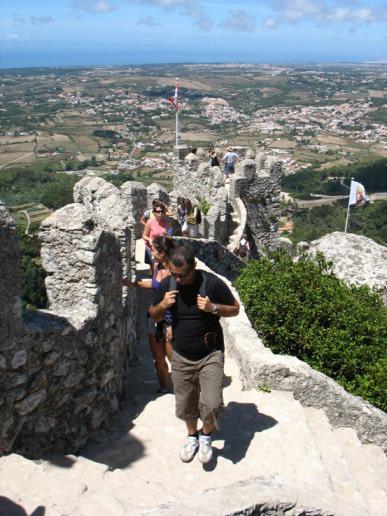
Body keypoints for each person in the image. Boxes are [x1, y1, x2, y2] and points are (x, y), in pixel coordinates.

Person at [149, 244, 240, 464]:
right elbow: (153, 314)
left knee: (212, 403)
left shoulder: (211, 283)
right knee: (186, 403)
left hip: (211, 353)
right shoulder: (167, 285)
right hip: (181, 354)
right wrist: (163, 304)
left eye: (183, 275)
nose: (178, 279)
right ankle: (192, 436)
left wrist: (213, 308)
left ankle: (206, 435)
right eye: (174, 274)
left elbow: (235, 308)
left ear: (194, 267)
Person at [123, 236, 175, 393]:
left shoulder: (176, 270)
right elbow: (154, 284)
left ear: (162, 252)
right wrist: (133, 284)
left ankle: (185, 391)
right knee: (158, 358)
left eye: (153, 249)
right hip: (154, 318)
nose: (151, 251)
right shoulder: (157, 266)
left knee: (174, 358)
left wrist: (175, 324)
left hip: (171, 321)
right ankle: (164, 387)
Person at [142, 200, 171, 269]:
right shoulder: (150, 222)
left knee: (164, 267)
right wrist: (149, 239)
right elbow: (144, 235)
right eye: (158, 211)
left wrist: (167, 235)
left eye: (162, 211)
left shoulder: (166, 222)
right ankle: (154, 279)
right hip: (152, 248)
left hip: (162, 248)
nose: (160, 213)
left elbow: (169, 236)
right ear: (154, 212)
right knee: (155, 266)